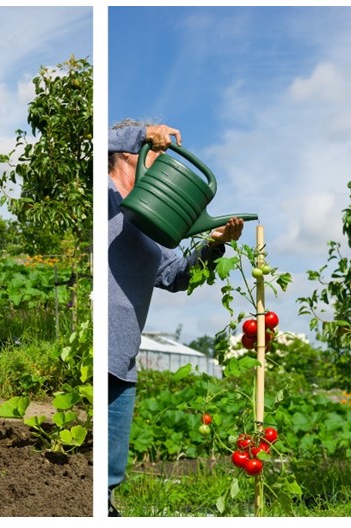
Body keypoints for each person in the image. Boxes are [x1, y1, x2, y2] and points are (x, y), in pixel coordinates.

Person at [107, 120, 244, 516]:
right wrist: (143, 132)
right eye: (156, 155)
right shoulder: (103, 198)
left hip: (123, 363)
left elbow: (175, 275)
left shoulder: (153, 223)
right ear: (131, 156)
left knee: (108, 481)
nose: (162, 164)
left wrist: (213, 246)